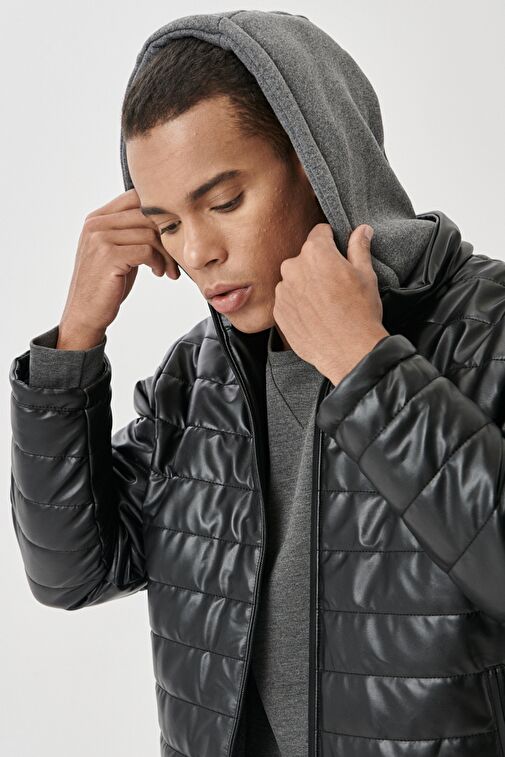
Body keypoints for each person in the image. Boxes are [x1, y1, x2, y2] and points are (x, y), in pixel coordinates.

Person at [9, 9, 505, 757]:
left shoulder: (485, 326)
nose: (198, 252)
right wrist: (73, 344)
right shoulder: (196, 378)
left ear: (317, 159)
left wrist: (366, 366)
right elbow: (71, 572)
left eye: (224, 202)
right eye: (167, 223)